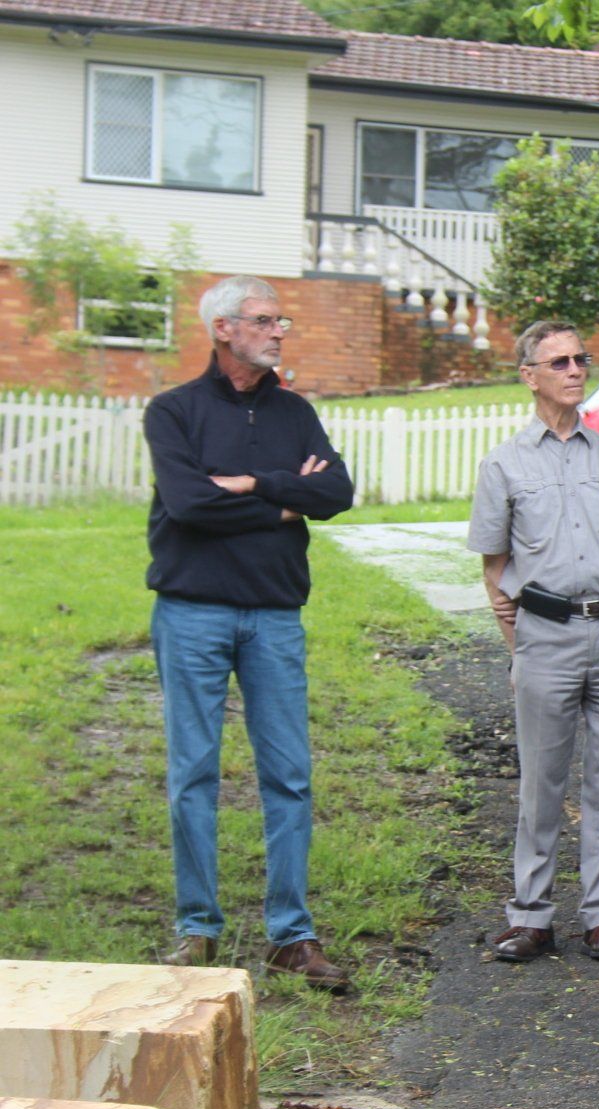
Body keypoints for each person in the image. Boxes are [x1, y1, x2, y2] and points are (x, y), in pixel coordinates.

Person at [146, 275, 356, 991]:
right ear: (224, 329)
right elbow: (186, 505)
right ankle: (197, 929)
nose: (280, 331)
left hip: (273, 614)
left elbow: (336, 493)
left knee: (289, 777)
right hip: (192, 610)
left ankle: (290, 935)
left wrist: (250, 483)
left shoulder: (295, 412)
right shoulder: (173, 412)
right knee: (193, 775)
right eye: (266, 320)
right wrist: (281, 500)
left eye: (281, 319)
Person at [469, 321, 599, 964]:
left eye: (582, 359)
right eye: (560, 361)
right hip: (544, 633)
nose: (577, 369)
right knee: (540, 781)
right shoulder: (503, 464)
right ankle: (531, 915)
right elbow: (495, 565)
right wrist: (518, 643)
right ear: (530, 375)